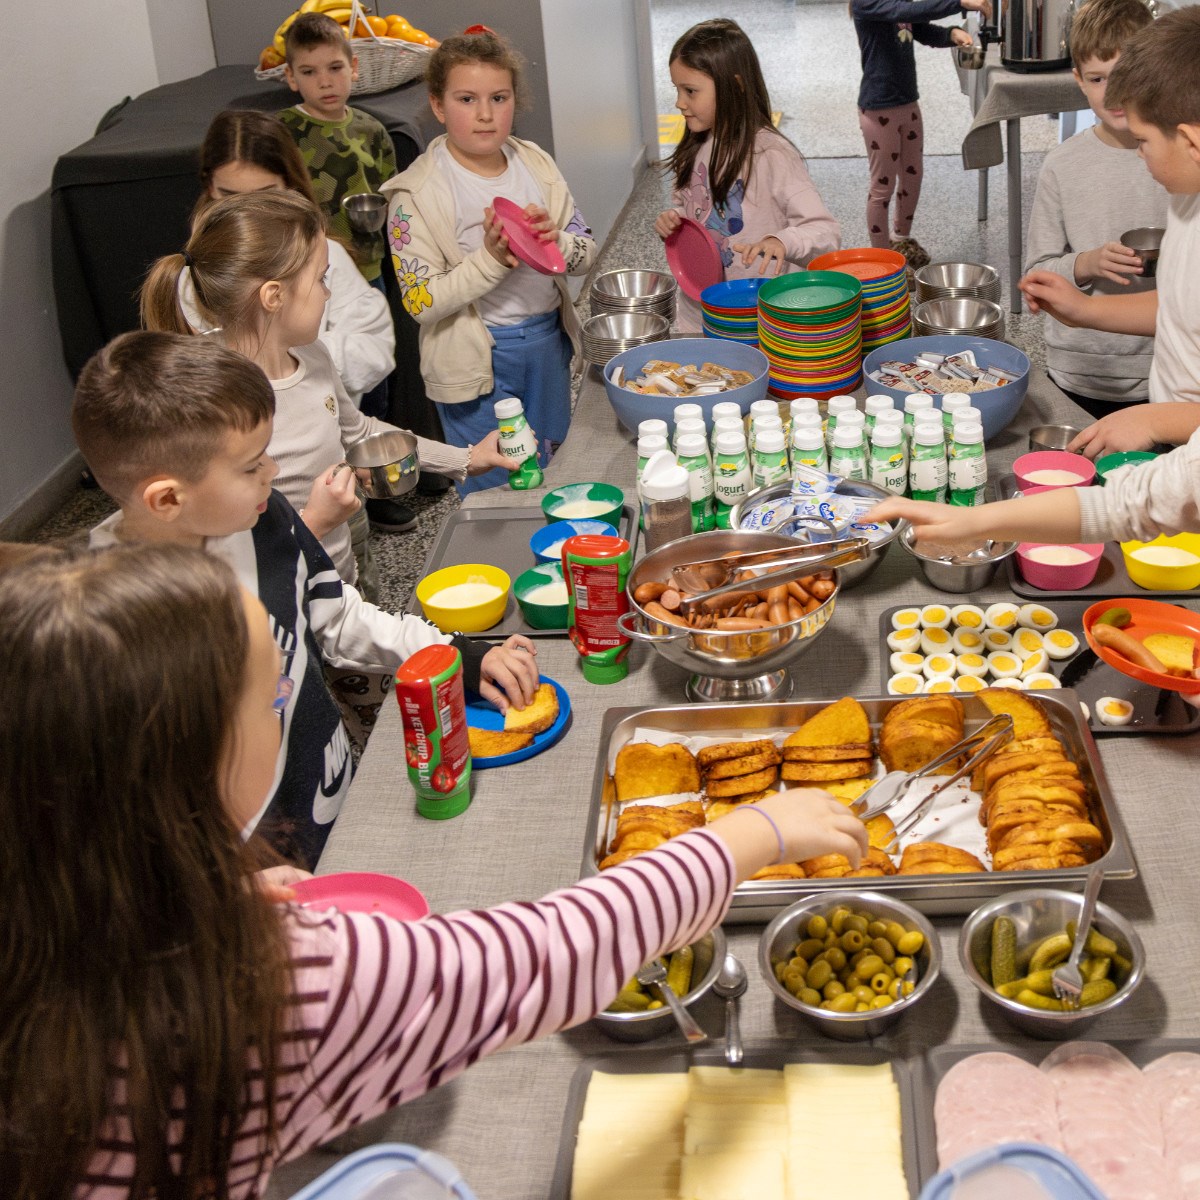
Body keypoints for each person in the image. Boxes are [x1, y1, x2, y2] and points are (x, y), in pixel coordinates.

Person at [0, 541, 867, 1197]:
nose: (285, 704)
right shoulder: (277, 979)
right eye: (273, 696)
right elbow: (544, 957)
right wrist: (746, 836)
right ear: (194, 763)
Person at [72, 331, 538, 869]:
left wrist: (453, 654)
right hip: (244, 866)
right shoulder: (105, 622)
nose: (272, 473)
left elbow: (335, 616)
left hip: (323, 796)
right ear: (168, 498)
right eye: (251, 465)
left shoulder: (261, 515)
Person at [139, 190, 515, 594]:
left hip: (340, 569)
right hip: (284, 599)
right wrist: (316, 524)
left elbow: (359, 432)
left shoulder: (312, 354)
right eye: (321, 279)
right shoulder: (211, 397)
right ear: (273, 296)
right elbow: (228, 550)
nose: (328, 293)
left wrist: (464, 459)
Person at [382, 29, 597, 493]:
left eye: (499, 98)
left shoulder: (536, 165)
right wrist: (493, 259)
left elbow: (586, 252)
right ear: (438, 105)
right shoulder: (413, 195)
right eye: (466, 99)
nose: (485, 114)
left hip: (546, 343)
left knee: (552, 472)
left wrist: (554, 241)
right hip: (472, 366)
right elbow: (421, 302)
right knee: (494, 487)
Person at [192, 108, 407, 542]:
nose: (250, 213)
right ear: (208, 188)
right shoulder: (199, 276)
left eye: (266, 195)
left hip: (336, 489)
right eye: (230, 196)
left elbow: (372, 350)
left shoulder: (324, 259)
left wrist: (305, 360)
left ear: (291, 186)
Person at [1019, 6, 1200, 460]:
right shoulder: (1182, 193)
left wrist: (1157, 420)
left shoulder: (1182, 188)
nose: (1139, 156)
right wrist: (1083, 295)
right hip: (1136, 402)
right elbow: (1178, 306)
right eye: (1099, 79)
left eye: (1144, 142)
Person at [655, 18, 841, 334]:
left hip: (760, 321)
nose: (679, 102)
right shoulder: (695, 144)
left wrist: (781, 241)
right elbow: (691, 209)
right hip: (700, 313)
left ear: (735, 86)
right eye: (677, 89)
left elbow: (825, 232)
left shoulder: (771, 154)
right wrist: (673, 222)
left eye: (690, 91)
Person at [850, 0, 992, 274]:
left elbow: (919, 27)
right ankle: (883, 261)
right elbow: (908, 12)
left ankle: (901, 239)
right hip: (879, 109)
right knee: (882, 187)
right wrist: (959, 2)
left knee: (912, 175)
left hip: (908, 103)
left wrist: (950, 34)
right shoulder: (865, 3)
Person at [278, 13, 397, 289]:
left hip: (367, 268)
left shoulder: (372, 130)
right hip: (305, 272)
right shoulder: (280, 132)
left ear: (353, 68)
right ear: (291, 77)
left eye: (335, 68)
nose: (325, 82)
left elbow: (392, 195)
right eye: (309, 72)